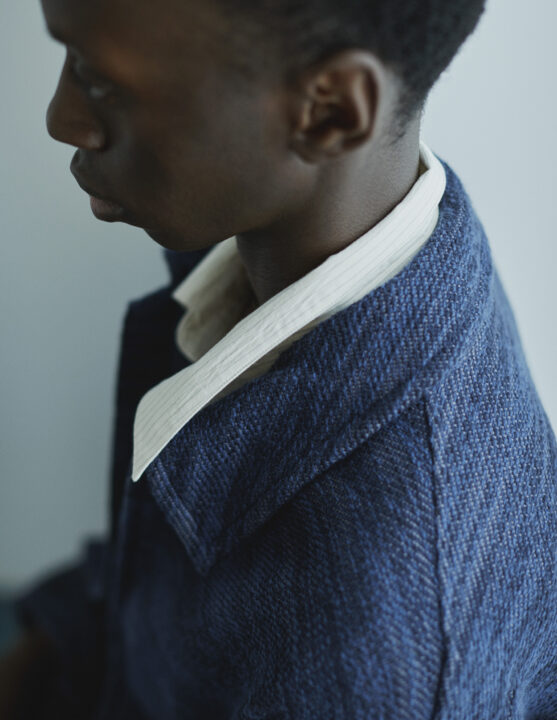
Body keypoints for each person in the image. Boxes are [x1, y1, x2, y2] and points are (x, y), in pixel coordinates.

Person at [1, 0, 555, 717]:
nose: (61, 118)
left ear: (329, 112)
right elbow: (155, 579)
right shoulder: (394, 240)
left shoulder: (374, 667)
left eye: (99, 79)